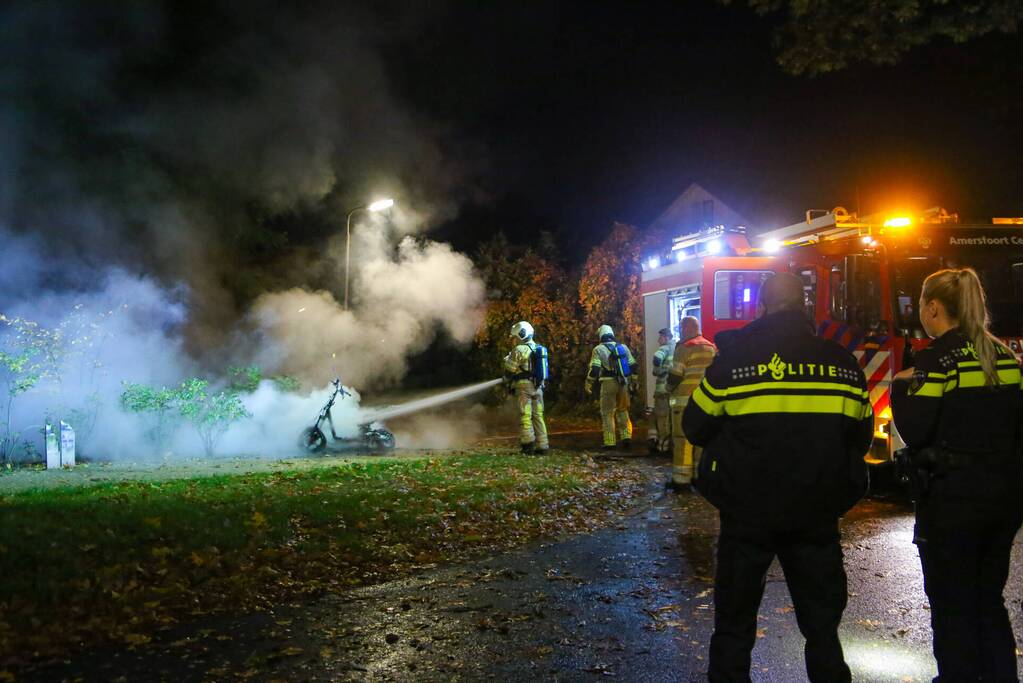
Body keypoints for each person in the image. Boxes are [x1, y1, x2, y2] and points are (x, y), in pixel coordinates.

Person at [682, 273, 873, 683]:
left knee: (734, 623)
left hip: (746, 513)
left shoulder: (734, 362)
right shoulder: (842, 363)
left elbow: (694, 426)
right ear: (804, 306)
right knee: (822, 628)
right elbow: (861, 436)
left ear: (761, 307)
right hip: (816, 513)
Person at [890, 268, 1023, 681]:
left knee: (952, 603)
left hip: (951, 501)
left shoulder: (937, 360)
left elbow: (917, 429)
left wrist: (899, 387)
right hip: (1004, 498)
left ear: (933, 308)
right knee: (988, 599)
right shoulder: (1005, 357)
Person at [665, 316, 716, 488]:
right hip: (704, 403)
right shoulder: (711, 347)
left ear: (686, 328)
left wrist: (667, 388)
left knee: (682, 439)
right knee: (701, 438)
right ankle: (698, 476)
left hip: (684, 402)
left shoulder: (684, 348)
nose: (680, 331)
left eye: (681, 328)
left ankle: (681, 480)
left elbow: (675, 375)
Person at [585, 324, 637, 450]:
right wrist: (634, 381)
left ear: (601, 336)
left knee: (607, 413)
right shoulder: (623, 347)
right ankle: (626, 437)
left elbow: (595, 369)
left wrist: (589, 382)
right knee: (623, 410)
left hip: (608, 383)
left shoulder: (598, 349)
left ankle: (609, 442)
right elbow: (633, 366)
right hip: (623, 383)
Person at [503, 321, 550, 455]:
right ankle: (543, 446)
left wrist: (507, 362)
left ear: (521, 335)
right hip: (538, 387)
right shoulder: (539, 348)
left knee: (525, 415)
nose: (515, 340)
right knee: (538, 416)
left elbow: (509, 371)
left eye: (515, 337)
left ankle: (528, 446)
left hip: (524, 387)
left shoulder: (519, 350)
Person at [647, 327, 674, 455]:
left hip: (662, 390)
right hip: (673, 390)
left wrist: (658, 370)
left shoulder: (665, 348)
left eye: (660, 338)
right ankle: (670, 446)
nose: (658, 341)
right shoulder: (678, 348)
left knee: (662, 418)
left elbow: (657, 357)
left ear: (666, 337)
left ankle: (663, 447)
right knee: (670, 418)